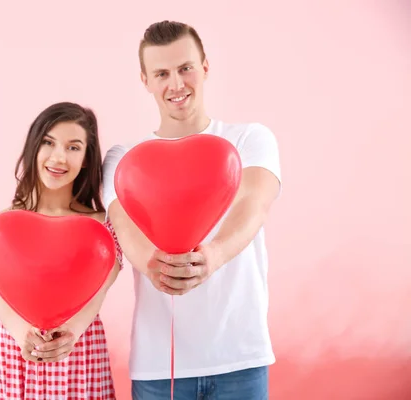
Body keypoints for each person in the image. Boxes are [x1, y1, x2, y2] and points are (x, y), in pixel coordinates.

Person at [102, 21, 282, 399]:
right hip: (158, 368)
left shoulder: (249, 139)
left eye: (185, 68)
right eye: (162, 73)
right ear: (145, 81)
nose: (176, 84)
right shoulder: (123, 158)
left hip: (240, 360)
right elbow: (122, 224)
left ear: (205, 67)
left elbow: (254, 204)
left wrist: (213, 256)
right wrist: (155, 266)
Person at [0, 102, 123, 400]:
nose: (58, 157)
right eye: (48, 142)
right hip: (17, 356)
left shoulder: (104, 228)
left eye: (73, 147)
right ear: (33, 147)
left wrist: (70, 335)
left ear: (85, 159)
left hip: (80, 356)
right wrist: (22, 335)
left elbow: (99, 292)